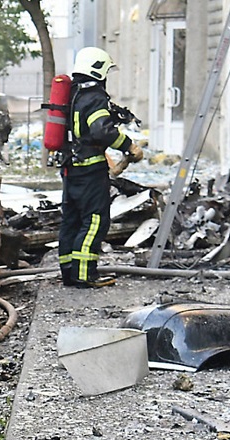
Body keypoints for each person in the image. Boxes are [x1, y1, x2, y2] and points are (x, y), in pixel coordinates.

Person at [58, 46, 143, 289]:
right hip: (90, 171)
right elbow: (101, 131)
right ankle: (85, 275)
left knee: (71, 221)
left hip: (71, 169)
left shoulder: (73, 94)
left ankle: (69, 273)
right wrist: (129, 146)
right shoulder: (94, 97)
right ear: (98, 71)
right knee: (95, 220)